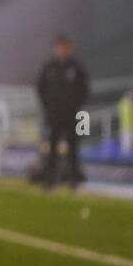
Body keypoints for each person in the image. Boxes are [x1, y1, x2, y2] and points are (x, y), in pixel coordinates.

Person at [36, 34, 89, 189]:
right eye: (59, 46)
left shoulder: (75, 67)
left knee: (73, 147)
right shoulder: (49, 67)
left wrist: (75, 106)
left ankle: (73, 179)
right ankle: (49, 179)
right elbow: (40, 88)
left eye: (64, 46)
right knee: (52, 147)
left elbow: (84, 89)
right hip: (53, 115)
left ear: (69, 48)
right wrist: (48, 106)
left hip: (72, 115)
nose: (62, 49)